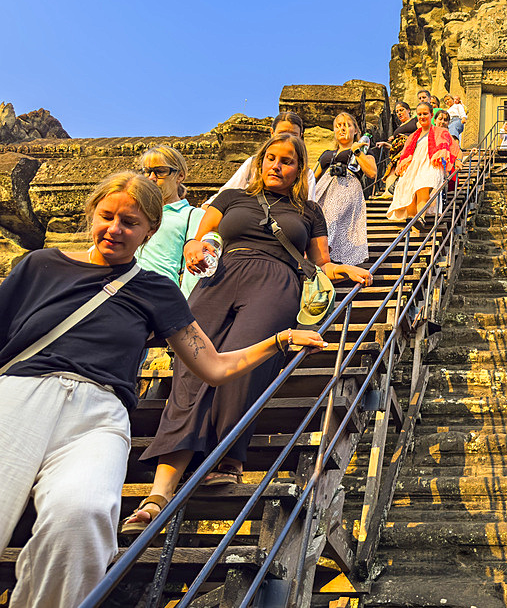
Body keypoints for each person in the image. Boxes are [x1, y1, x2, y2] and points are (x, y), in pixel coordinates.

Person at [0, 171, 327, 608]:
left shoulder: (157, 290)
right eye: (107, 216)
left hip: (100, 410)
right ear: (90, 214)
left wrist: (279, 340)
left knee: (84, 518)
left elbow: (211, 364)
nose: (115, 229)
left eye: (130, 222)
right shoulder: (41, 264)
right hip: (21, 393)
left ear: (150, 232)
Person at [129, 135, 372, 533]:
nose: (277, 165)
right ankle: (160, 489)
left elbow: (321, 263)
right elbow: (200, 236)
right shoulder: (231, 199)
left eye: (287, 161)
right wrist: (193, 248)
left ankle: (228, 459)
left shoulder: (309, 211)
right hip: (220, 278)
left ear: (299, 169)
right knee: (191, 370)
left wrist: (343, 270)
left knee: (245, 364)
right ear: (260, 163)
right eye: (270, 158)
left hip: (277, 282)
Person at [204, 110, 315, 206]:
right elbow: (226, 193)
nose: (287, 138)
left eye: (293, 135)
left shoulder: (306, 174)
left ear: (300, 136)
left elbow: (309, 207)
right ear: (272, 133)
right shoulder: (253, 164)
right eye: (281, 133)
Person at [136, 145, 204, 297]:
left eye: (160, 171)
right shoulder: (134, 212)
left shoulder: (193, 215)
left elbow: (192, 272)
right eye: (147, 172)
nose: (151, 177)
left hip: (160, 298)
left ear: (180, 176)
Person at [313, 112, 377, 266]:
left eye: (347, 125)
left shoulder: (365, 151)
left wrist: (357, 152)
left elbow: (372, 173)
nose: (342, 129)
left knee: (332, 222)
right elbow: (312, 177)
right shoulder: (327, 154)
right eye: (338, 126)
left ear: (356, 131)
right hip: (324, 189)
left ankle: (326, 264)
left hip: (347, 187)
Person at [387, 102, 453, 226]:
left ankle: (420, 217)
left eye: (425, 113)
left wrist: (451, 159)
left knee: (423, 186)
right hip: (414, 164)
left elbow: (447, 145)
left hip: (431, 161)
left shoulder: (440, 131)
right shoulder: (413, 135)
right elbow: (406, 151)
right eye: (419, 114)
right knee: (409, 190)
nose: (422, 116)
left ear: (431, 115)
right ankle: (413, 224)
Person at [377, 101, 418, 199]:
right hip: (398, 150)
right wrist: (385, 144)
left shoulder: (415, 121)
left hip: (410, 149)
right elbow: (394, 146)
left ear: (408, 110)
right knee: (391, 168)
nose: (399, 113)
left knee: (399, 164)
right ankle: (387, 192)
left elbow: (421, 132)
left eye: (401, 110)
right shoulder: (399, 128)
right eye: (397, 111)